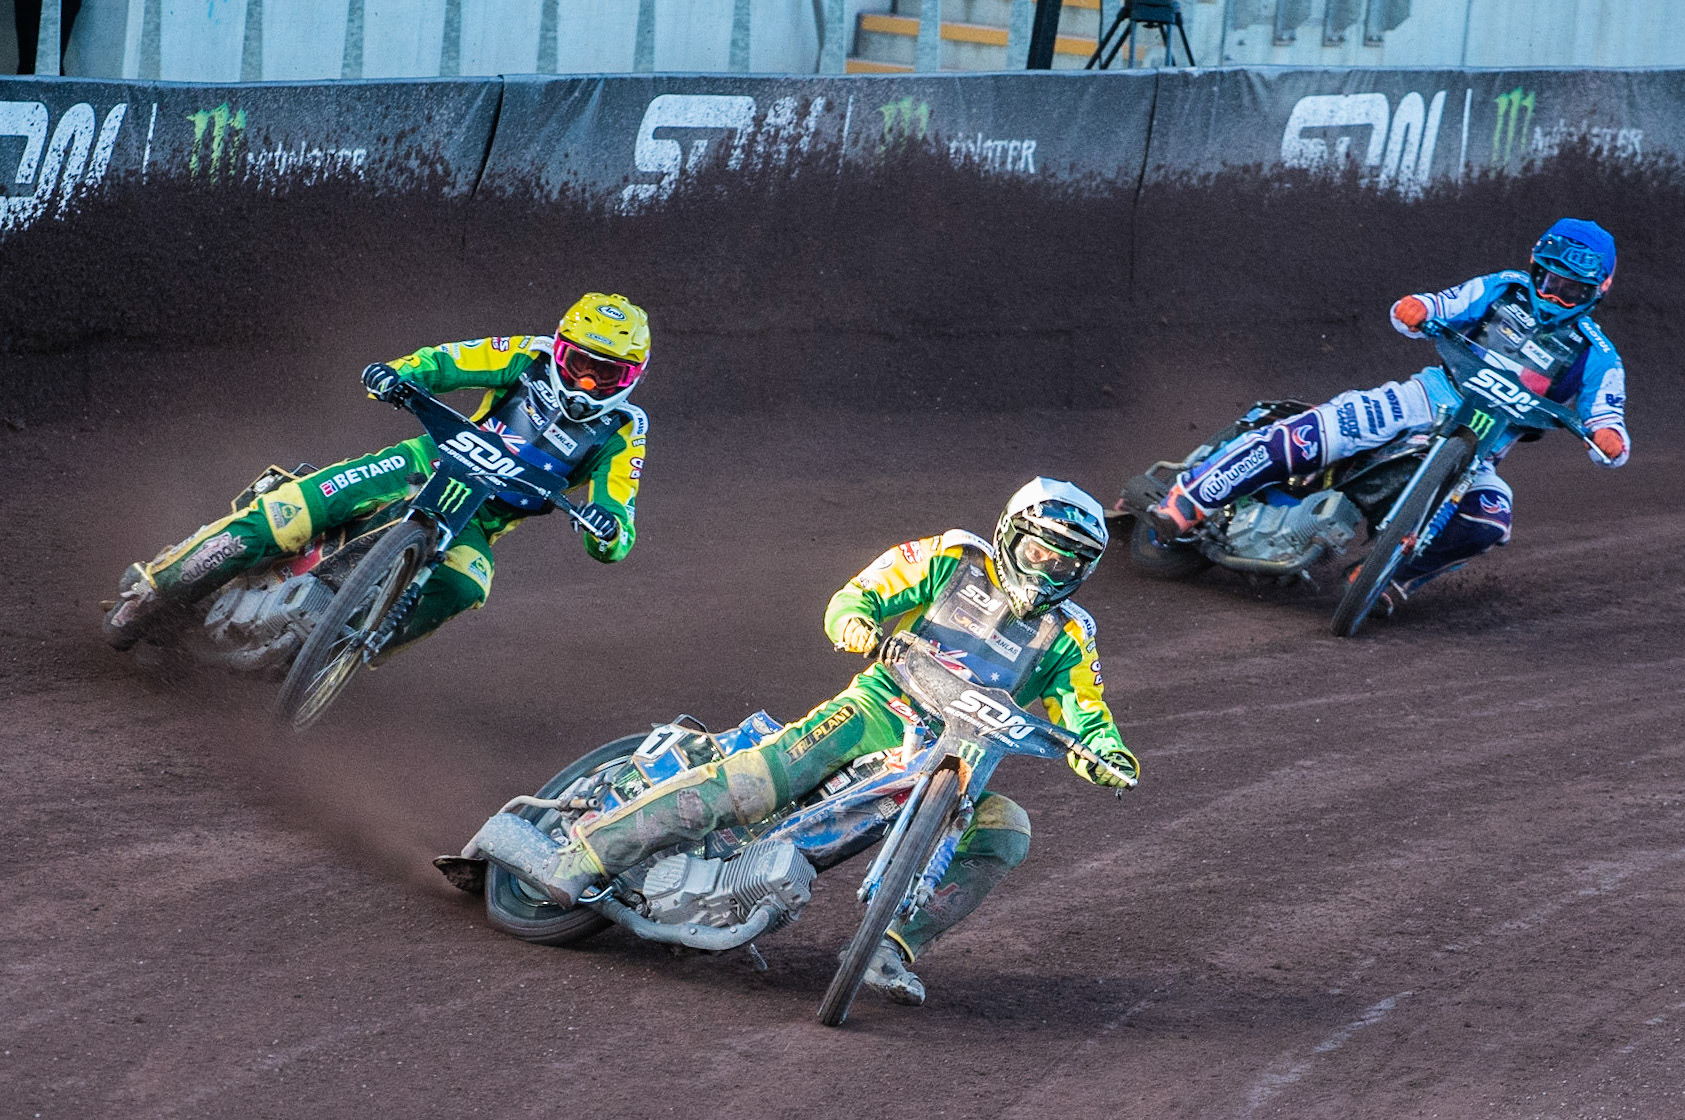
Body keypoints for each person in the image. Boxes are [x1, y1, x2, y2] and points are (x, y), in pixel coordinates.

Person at [486, 478, 1140, 1007]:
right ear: (1011, 537)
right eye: (1041, 552)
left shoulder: (1068, 636)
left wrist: (1106, 755)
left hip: (962, 754)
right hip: (877, 707)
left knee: (1007, 830)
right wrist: (859, 625)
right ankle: (579, 860)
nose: (1051, 569)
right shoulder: (951, 559)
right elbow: (859, 595)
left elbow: (1086, 710)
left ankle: (890, 947)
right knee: (756, 781)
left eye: (1070, 561)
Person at [102, 293, 652, 652]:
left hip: (480, 521)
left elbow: (618, 513)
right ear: (560, 350)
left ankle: (345, 650)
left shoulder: (625, 429)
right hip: (423, 462)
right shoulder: (526, 356)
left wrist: (605, 531)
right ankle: (155, 589)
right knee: (289, 514)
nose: (585, 384)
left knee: (467, 584)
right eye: (579, 365)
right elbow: (447, 361)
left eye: (606, 376)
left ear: (631, 377)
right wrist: (395, 375)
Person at [1148, 218, 1628, 614]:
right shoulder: (1502, 288)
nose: (1554, 296)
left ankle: (1391, 581)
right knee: (1323, 430)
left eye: (1571, 291)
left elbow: (1609, 418)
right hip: (1427, 396)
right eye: (1548, 281)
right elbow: (1439, 306)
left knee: (1491, 517)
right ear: (1533, 266)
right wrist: (1417, 308)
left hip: (1482, 449)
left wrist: (1607, 437)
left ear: (1599, 289)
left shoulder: (1597, 354)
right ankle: (1190, 500)